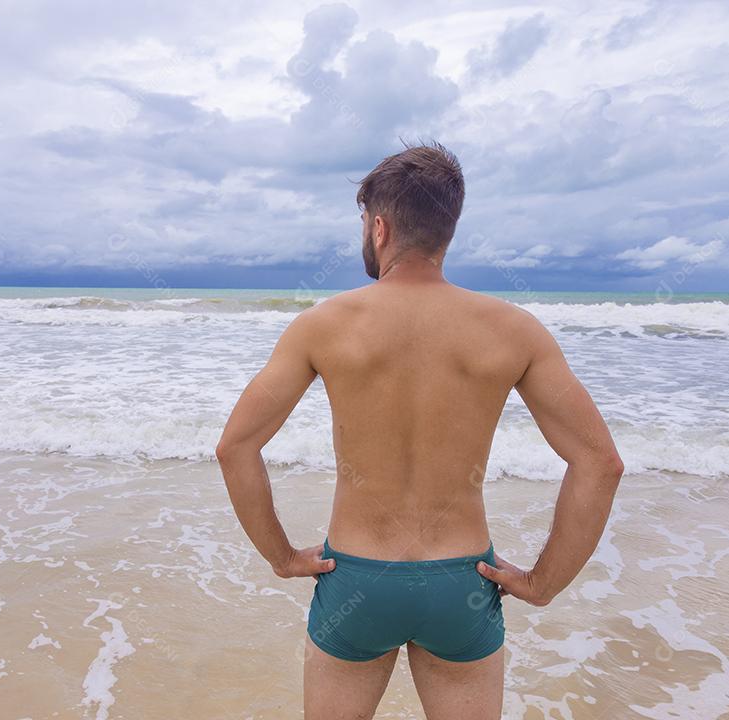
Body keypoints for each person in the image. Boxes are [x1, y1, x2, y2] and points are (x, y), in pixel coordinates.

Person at [215, 142, 624, 719]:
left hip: (354, 575)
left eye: (362, 222)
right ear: (446, 233)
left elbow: (235, 447)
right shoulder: (513, 330)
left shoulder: (321, 326)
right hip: (463, 581)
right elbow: (600, 462)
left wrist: (281, 557)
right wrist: (543, 581)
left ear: (379, 227)